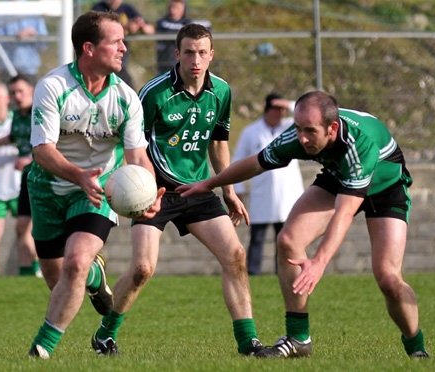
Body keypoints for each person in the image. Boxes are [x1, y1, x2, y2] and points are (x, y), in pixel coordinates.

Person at [177, 91, 429, 359]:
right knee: (288, 241)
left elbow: (344, 213)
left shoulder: (359, 144)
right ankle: (298, 338)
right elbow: (256, 163)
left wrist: (319, 262)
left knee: (388, 278)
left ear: (332, 128)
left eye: (309, 131)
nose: (302, 138)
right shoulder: (298, 137)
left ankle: (416, 348)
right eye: (297, 128)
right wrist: (210, 183)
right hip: (338, 178)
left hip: (385, 187)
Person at [91, 23, 275, 358]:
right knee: (142, 269)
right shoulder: (154, 93)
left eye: (202, 52)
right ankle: (105, 335)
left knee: (235, 256)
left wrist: (229, 191)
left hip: (200, 188)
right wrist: (136, 185)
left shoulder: (221, 92)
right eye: (189, 51)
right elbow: (133, 145)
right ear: (177, 54)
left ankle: (248, 343)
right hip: (155, 192)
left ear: (211, 56)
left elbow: (218, 145)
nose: (195, 59)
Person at [27, 11, 163, 359]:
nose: (124, 48)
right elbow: (42, 151)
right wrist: (77, 175)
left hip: (99, 192)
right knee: (59, 279)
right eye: (115, 42)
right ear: (89, 48)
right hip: (47, 191)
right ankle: (93, 277)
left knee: (75, 262)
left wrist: (148, 189)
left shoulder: (126, 99)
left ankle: (41, 350)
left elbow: (136, 156)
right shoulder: (53, 87)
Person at [232, 94, 304, 276]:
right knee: (257, 237)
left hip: (288, 194)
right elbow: (238, 159)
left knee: (285, 237)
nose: (280, 113)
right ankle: (253, 272)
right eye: (276, 109)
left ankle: (283, 271)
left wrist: (288, 104)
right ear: (268, 109)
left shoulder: (292, 127)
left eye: (282, 110)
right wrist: (237, 190)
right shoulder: (251, 131)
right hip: (261, 193)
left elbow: (310, 112)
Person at [0, 75, 41, 277]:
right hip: (25, 179)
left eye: (20, 91)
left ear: (31, 90)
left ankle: (38, 271)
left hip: (41, 178)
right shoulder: (17, 117)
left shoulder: (39, 113)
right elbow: (13, 137)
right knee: (21, 227)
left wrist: (30, 158)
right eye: (13, 92)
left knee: (37, 229)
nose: (17, 96)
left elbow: (53, 142)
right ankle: (26, 275)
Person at [0, 83, 20, 278]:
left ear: (7, 99)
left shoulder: (17, 122)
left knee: (27, 230)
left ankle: (35, 271)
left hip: (19, 184)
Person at [92, 0, 155, 89]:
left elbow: (150, 29)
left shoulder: (128, 8)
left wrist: (140, 26)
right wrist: (125, 27)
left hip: (121, 62)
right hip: (103, 61)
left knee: (127, 88)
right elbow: (97, 29)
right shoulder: (98, 8)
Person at [0, 1, 48, 86]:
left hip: (29, 69)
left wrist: (32, 34)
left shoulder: (34, 9)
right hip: (6, 68)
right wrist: (14, 37)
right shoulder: (0, 10)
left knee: (29, 98)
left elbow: (44, 44)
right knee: (7, 98)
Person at [156, 0, 193, 75]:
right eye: (171, 7)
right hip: (164, 65)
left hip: (181, 65)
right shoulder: (162, 22)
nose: (173, 11)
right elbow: (167, 28)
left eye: (176, 8)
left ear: (183, 9)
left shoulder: (188, 21)